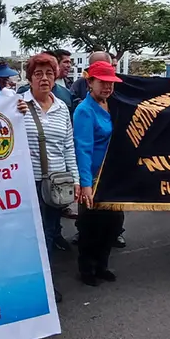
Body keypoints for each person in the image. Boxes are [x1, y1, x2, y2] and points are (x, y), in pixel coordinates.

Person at [16, 53, 80, 302]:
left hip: (55, 184)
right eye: (38, 74)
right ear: (29, 78)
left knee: (50, 232)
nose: (44, 78)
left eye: (49, 74)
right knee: (30, 237)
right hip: (27, 183)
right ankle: (29, 284)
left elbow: (67, 147)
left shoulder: (62, 108)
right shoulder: (17, 104)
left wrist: (74, 180)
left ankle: (46, 283)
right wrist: (13, 113)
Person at [68, 51, 126, 248]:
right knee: (91, 226)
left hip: (111, 175)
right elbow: (83, 150)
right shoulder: (84, 110)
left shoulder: (114, 104)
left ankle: (102, 266)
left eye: (111, 82)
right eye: (102, 82)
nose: (108, 86)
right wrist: (85, 184)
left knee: (110, 225)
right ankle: (88, 271)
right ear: (90, 82)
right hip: (94, 177)